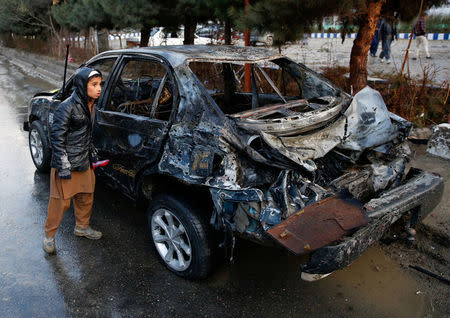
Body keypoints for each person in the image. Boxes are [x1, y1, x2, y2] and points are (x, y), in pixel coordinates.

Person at [43, 66, 103, 254]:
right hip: (66, 164)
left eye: (100, 84)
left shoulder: (92, 104)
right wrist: (63, 165)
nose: (99, 88)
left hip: (84, 161)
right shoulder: (66, 107)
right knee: (60, 202)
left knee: (86, 196)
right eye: (94, 84)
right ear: (82, 85)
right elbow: (57, 138)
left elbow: (86, 134)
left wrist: (92, 154)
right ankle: (49, 237)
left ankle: (82, 227)